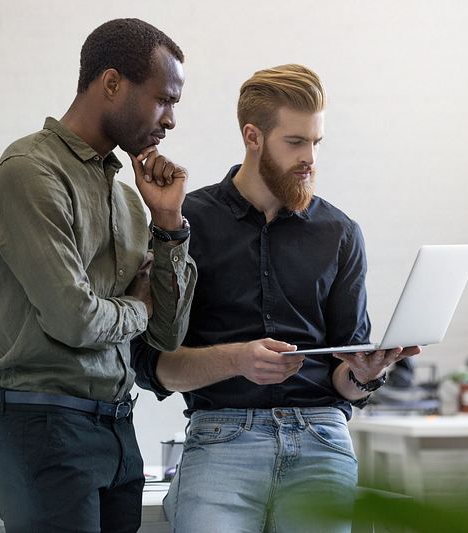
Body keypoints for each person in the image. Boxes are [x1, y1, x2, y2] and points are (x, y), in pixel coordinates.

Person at [131, 63, 420, 533]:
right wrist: (237, 360)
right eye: (296, 142)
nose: (310, 157)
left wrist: (366, 376)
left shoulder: (340, 233)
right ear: (253, 136)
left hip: (321, 433)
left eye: (316, 142)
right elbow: (151, 366)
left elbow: (346, 378)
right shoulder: (187, 224)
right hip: (223, 434)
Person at [0, 18, 197, 533]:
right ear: (112, 84)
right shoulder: (30, 171)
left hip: (116, 427)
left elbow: (167, 335)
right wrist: (138, 307)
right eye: (163, 99)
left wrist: (169, 226)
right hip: (42, 425)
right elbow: (74, 319)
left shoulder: (128, 199)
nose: (171, 121)